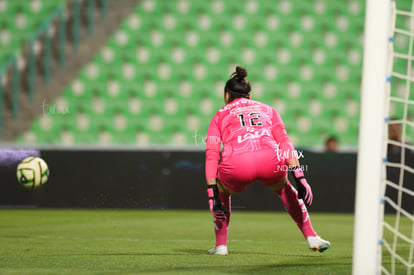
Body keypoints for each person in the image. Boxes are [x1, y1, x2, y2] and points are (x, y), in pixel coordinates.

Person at [205, 66, 330, 255]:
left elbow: (212, 154)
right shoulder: (268, 110)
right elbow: (284, 143)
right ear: (250, 95)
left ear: (226, 96)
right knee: (285, 188)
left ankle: (221, 246)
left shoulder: (219, 115)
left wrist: (212, 193)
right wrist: (300, 176)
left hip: (238, 164)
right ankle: (311, 236)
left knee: (222, 192)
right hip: (270, 161)